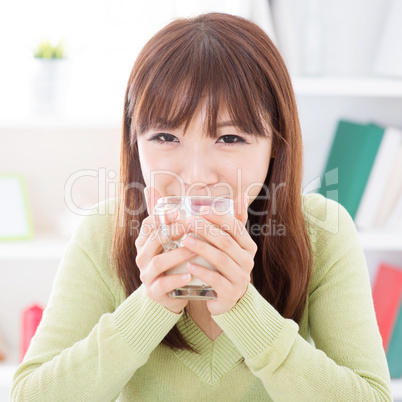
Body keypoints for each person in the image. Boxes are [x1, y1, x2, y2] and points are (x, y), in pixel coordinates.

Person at [11, 12, 392, 401]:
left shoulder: (322, 232)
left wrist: (243, 308)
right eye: (165, 136)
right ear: (134, 142)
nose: (195, 175)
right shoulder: (104, 231)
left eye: (229, 138)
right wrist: (151, 306)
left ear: (276, 143)